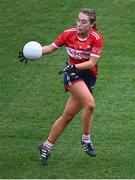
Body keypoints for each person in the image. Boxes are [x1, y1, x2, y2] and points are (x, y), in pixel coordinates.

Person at [18, 8, 104, 165]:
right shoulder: (68, 34)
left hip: (88, 77)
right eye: (78, 20)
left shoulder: (96, 38)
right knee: (90, 105)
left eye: (83, 22)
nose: (79, 24)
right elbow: (50, 48)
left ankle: (46, 146)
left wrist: (75, 67)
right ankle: (86, 140)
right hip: (72, 76)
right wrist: (31, 53)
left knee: (68, 116)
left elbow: (92, 63)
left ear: (92, 24)